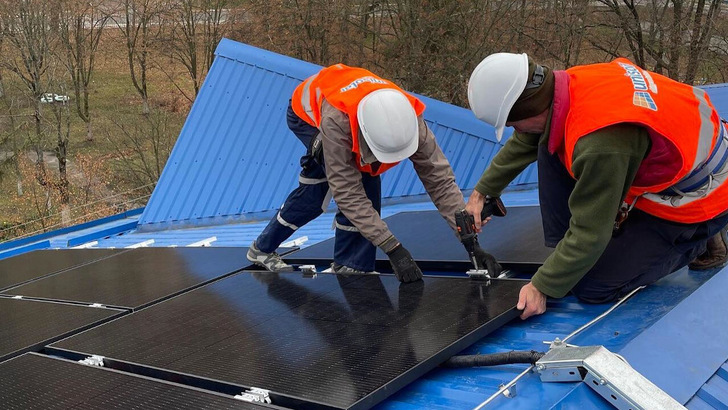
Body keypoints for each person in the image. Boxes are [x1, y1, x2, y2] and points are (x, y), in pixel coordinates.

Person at [465, 53, 728, 318]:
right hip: (684, 158)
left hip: (703, 197)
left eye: (513, 124)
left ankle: (701, 240)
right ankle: (567, 253)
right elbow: (528, 138)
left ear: (529, 109)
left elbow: (591, 234)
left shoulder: (599, 144)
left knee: (591, 286)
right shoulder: (568, 85)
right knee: (548, 139)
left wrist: (542, 286)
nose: (514, 130)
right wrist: (482, 192)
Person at [247, 64, 501, 282]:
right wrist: (393, 248)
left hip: (347, 103)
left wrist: (470, 243)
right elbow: (347, 192)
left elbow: (440, 181)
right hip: (308, 113)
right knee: (323, 193)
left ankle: (350, 263)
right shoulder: (338, 123)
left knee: (353, 182)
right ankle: (337, 264)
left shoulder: (409, 119)